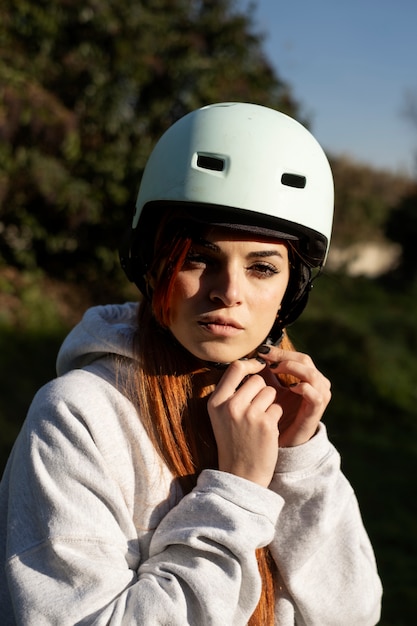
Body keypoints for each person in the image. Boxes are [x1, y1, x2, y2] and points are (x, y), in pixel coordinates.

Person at [0, 102, 382, 625]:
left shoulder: (275, 409)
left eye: (262, 267)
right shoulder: (77, 417)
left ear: (290, 290)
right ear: (155, 264)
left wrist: (300, 459)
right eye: (199, 258)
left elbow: (353, 612)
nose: (229, 293)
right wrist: (238, 495)